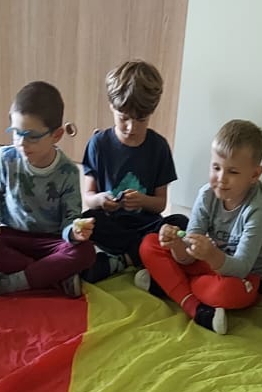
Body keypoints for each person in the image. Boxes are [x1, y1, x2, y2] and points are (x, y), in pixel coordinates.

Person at [135, 119, 262, 334]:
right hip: (207, 261)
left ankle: (170, 284)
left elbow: (242, 267)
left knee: (223, 292)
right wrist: (176, 245)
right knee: (150, 243)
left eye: (233, 172)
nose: (221, 179)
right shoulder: (207, 194)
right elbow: (187, 255)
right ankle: (195, 307)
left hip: (244, 276)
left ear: (254, 175)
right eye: (216, 167)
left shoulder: (260, 209)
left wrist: (211, 255)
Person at [0, 80, 98, 300]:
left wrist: (75, 233)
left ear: (56, 135)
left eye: (32, 136)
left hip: (50, 242)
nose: (22, 143)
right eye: (16, 132)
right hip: (12, 236)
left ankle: (11, 283)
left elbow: (70, 220)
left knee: (85, 252)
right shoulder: (5, 158)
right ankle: (52, 276)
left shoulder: (67, 171)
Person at [78, 60, 188, 283]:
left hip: (146, 225)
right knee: (85, 219)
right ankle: (139, 257)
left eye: (141, 120)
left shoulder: (159, 147)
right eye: (124, 118)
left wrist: (142, 201)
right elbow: (88, 197)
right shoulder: (98, 144)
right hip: (111, 224)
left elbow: (160, 204)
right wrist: (101, 200)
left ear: (151, 112)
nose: (131, 127)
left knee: (181, 222)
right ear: (112, 107)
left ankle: (121, 260)